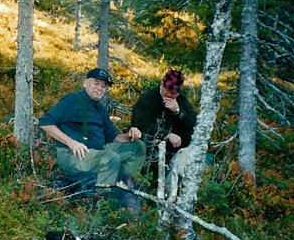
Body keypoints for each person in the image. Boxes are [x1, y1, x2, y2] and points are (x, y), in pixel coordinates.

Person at [38, 68, 146, 211]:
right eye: (96, 83)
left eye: (103, 85)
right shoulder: (73, 100)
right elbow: (45, 123)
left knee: (138, 146)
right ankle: (100, 207)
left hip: (96, 152)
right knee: (110, 158)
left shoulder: (100, 109)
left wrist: (131, 134)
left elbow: (114, 137)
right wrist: (71, 142)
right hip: (72, 155)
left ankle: (125, 189)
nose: (99, 88)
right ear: (85, 84)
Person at [131, 69, 197, 180]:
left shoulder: (181, 101)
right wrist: (167, 135)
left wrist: (178, 111)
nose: (170, 95)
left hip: (177, 149)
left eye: (174, 93)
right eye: (168, 90)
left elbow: (192, 124)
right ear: (162, 84)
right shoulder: (148, 99)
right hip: (151, 148)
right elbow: (140, 124)